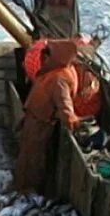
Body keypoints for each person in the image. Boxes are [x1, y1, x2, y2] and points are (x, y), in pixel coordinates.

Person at [14, 39, 83, 195]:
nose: (45, 58)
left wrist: (74, 122)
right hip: (34, 116)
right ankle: (22, 187)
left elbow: (65, 106)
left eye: (48, 55)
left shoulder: (59, 78)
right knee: (27, 153)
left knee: (33, 157)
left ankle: (28, 190)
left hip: (41, 121)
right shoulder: (53, 72)